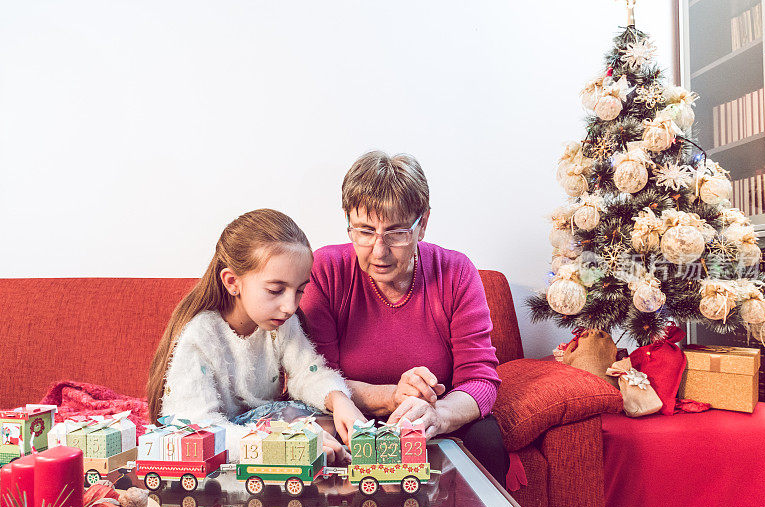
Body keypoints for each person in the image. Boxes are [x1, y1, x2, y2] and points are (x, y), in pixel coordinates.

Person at [301, 151, 509, 485]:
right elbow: (313, 374)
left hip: (431, 417)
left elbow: (481, 380)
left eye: (396, 232)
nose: (379, 251)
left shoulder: (456, 272)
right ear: (348, 222)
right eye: (365, 231)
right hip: (347, 416)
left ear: (422, 224)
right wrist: (393, 396)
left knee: (486, 440)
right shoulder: (325, 270)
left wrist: (436, 415)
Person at [146, 208, 365, 462]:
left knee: (331, 424)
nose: (290, 306)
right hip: (217, 436)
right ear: (232, 282)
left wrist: (339, 400)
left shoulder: (281, 323)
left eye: (299, 291)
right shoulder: (200, 336)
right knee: (315, 435)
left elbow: (308, 372)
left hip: (257, 428)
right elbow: (196, 429)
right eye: (275, 290)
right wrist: (281, 445)